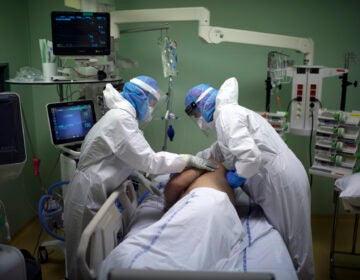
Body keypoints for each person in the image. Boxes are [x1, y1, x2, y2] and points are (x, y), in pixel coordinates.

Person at [64, 75, 217, 280]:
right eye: (152, 103)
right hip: (89, 192)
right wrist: (187, 159)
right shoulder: (120, 120)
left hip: (97, 185)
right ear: (141, 98)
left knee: (92, 250)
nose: (152, 108)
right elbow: (149, 161)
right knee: (84, 253)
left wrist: (140, 177)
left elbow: (123, 158)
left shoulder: (123, 118)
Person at [184, 77, 314, 280]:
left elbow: (250, 157)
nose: (197, 119)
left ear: (201, 104)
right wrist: (191, 160)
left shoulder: (227, 115)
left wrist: (236, 177)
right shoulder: (225, 117)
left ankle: (304, 277)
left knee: (295, 241)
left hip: (281, 180)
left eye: (195, 113)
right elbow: (219, 150)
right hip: (276, 178)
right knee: (290, 237)